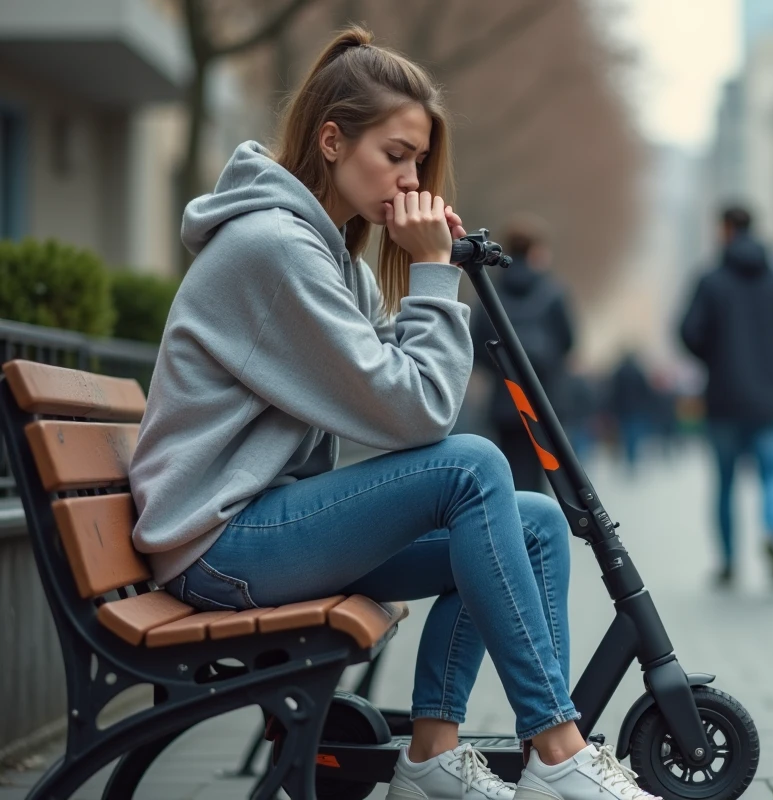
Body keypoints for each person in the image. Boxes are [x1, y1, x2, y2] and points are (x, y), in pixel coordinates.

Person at [128, 26, 655, 800]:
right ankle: (557, 744)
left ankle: (433, 753)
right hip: (216, 546)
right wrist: (435, 275)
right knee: (474, 468)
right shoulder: (276, 249)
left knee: (535, 524)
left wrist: (425, 281)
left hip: (259, 525)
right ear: (332, 140)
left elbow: (407, 390)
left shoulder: (332, 255)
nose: (410, 181)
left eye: (418, 161)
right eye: (396, 155)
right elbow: (419, 414)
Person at [680, 205, 773, 588]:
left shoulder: (710, 281)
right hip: (770, 400)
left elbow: (688, 332)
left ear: (725, 229)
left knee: (724, 484)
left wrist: (716, 359)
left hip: (723, 400)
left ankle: (728, 562)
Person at [471, 214, 575, 494]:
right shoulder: (553, 292)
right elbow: (568, 342)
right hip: (544, 401)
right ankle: (537, 530)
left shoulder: (488, 290)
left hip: (506, 400)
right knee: (544, 476)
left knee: (511, 474)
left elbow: (477, 344)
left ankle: (515, 530)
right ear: (536, 251)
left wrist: (504, 368)